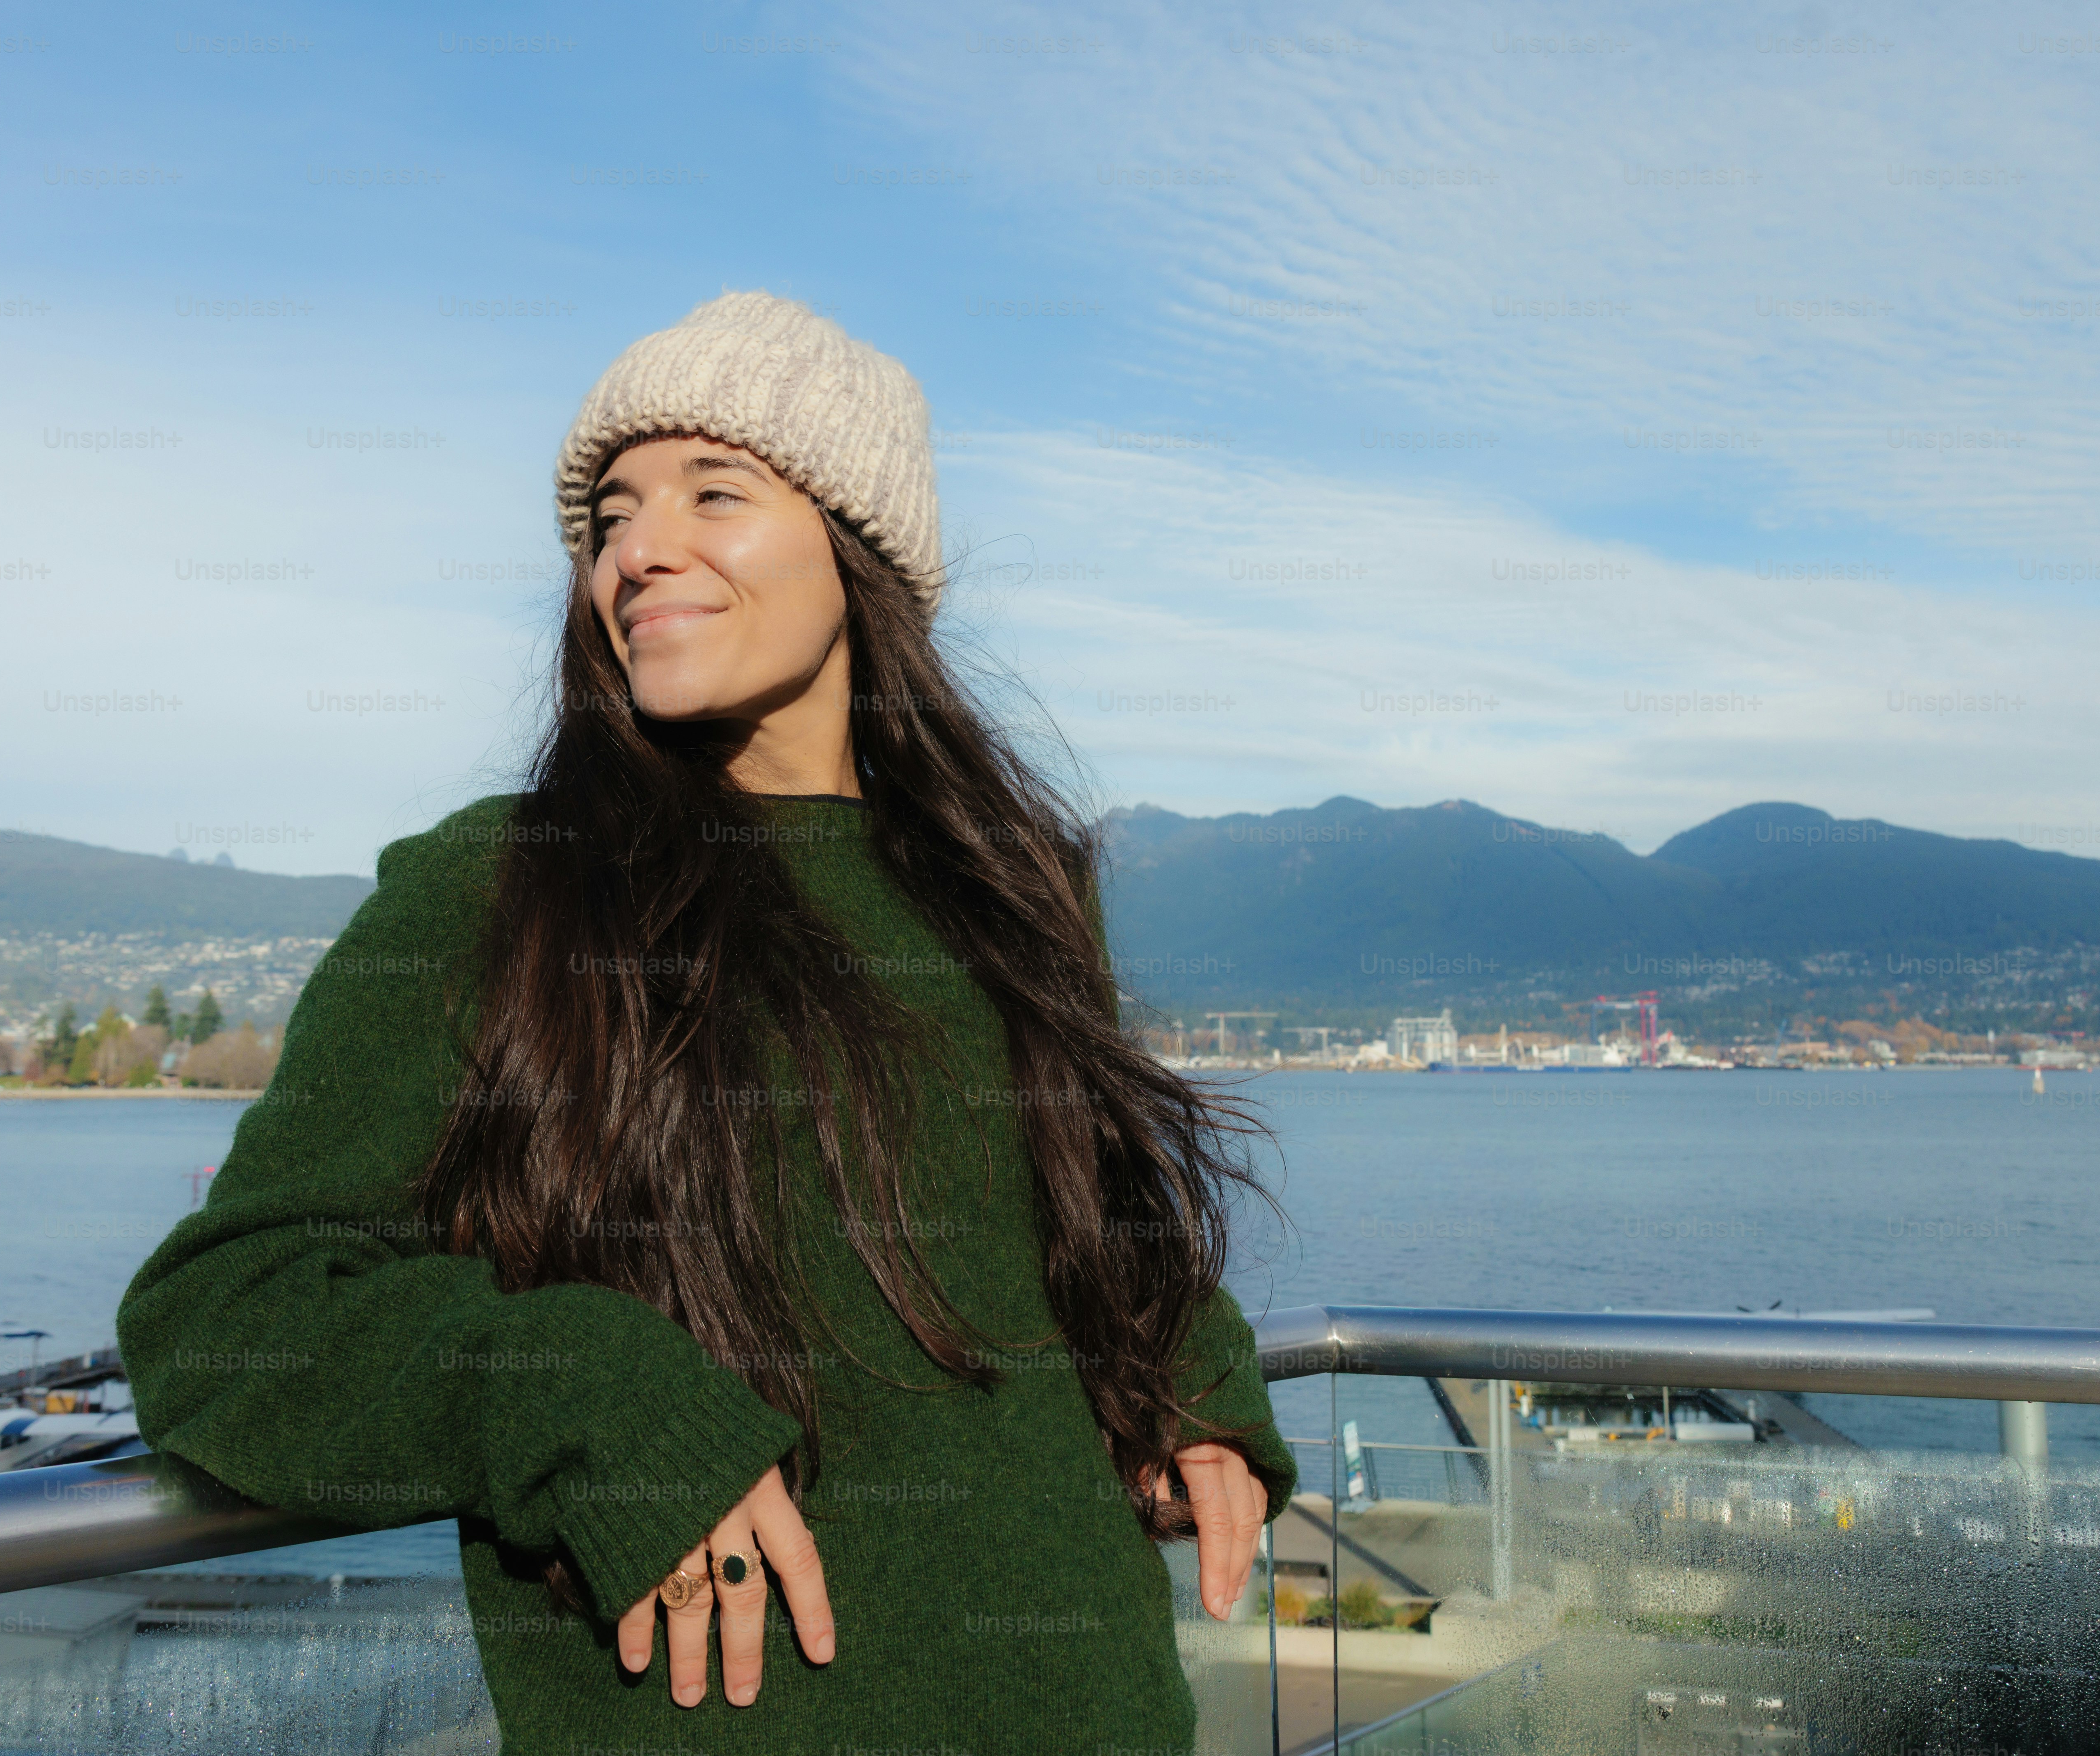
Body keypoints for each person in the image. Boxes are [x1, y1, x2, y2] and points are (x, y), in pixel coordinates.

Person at [119, 291, 1293, 1753]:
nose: (636, 551)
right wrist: (586, 1399)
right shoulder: (502, 891)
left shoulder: (1016, 885)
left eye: (713, 492)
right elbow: (227, 1318)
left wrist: (1187, 1377)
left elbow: (1067, 1230)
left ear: (856, 554)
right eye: (610, 515)